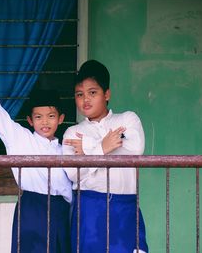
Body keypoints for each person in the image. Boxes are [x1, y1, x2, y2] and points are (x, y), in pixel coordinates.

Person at [0, 56, 72, 253]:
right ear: (30, 120)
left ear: (61, 119)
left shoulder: (67, 148)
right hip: (31, 209)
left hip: (61, 212)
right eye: (38, 117)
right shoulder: (20, 138)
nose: (45, 122)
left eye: (51, 116)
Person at [63, 59, 148, 253]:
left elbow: (135, 149)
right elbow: (74, 174)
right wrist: (103, 148)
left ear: (107, 94)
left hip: (125, 207)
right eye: (79, 94)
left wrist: (89, 149)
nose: (86, 100)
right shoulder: (72, 133)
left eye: (93, 93)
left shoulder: (127, 118)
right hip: (89, 209)